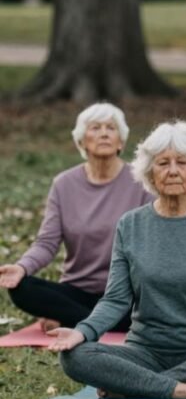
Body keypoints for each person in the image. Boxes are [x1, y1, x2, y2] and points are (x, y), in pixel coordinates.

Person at [49, 121, 186, 399]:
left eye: (182, 162)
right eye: (163, 163)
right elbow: (115, 299)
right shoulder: (130, 224)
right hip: (145, 353)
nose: (173, 170)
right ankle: (183, 390)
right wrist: (82, 332)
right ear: (150, 173)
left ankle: (133, 387)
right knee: (74, 356)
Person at [0, 103, 151, 332]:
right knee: (22, 288)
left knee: (153, 306)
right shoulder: (64, 184)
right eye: (95, 128)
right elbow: (46, 244)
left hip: (125, 295)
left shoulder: (141, 184)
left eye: (111, 128)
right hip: (76, 293)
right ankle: (97, 322)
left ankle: (78, 321)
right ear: (81, 141)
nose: (103, 133)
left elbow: (153, 246)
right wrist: (22, 267)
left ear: (121, 141)